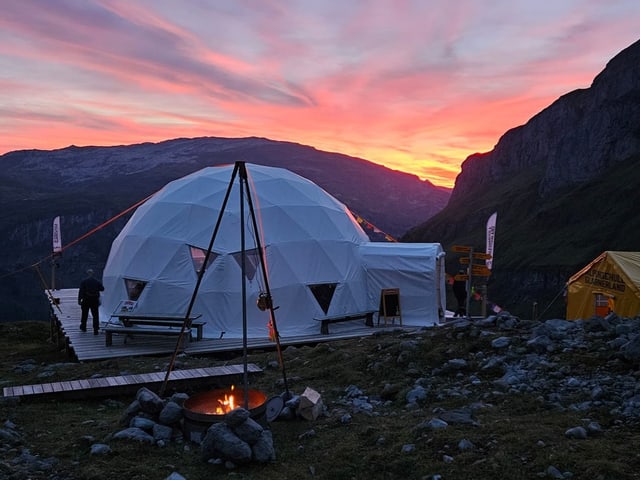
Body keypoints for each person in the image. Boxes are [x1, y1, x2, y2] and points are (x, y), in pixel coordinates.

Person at [78, 268, 105, 335]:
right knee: (95, 315)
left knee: (84, 314)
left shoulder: (84, 281)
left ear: (87, 273)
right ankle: (95, 329)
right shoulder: (97, 281)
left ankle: (83, 327)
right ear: (93, 273)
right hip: (94, 300)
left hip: (86, 300)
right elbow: (102, 289)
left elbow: (81, 291)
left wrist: (79, 300)